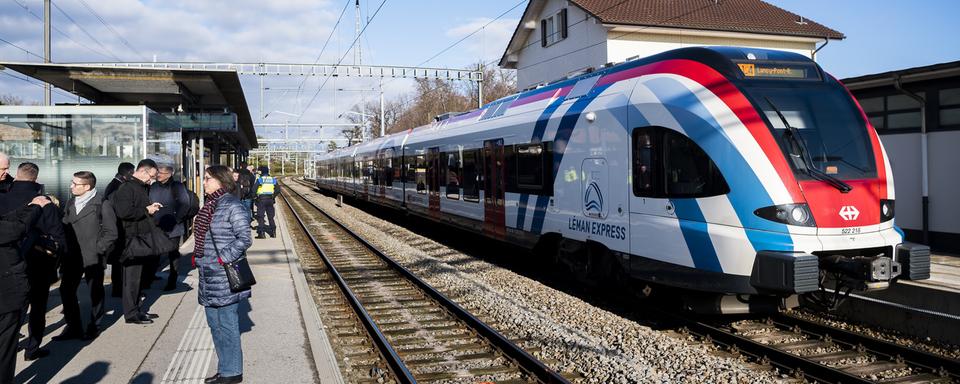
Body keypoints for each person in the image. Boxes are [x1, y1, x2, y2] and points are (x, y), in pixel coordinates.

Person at [0, 163, 65, 361]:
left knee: (13, 308)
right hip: (40, 262)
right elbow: (59, 235)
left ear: (16, 175)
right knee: (38, 306)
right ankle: (32, 348)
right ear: (35, 179)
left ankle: (10, 344)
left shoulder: (3, 197)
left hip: (9, 263)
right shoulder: (44, 201)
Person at [195, 165, 252, 384]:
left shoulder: (231, 205)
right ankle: (225, 368)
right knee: (214, 325)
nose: (204, 182)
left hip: (225, 274)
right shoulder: (211, 204)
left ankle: (232, 372)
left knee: (227, 325)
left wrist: (222, 258)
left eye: (208, 178)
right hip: (207, 274)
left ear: (220, 181)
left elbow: (244, 238)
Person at [56, 171, 118, 341]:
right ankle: (73, 326)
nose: (71, 186)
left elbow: (111, 233)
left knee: (95, 291)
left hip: (93, 257)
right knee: (66, 290)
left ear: (87, 186)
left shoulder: (102, 204)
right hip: (72, 256)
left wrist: (99, 248)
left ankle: (94, 325)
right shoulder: (70, 202)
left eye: (75, 184)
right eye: (72, 182)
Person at [0, 198, 48, 384]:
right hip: (5, 295)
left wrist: (27, 206)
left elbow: (5, 220)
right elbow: (14, 230)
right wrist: (36, 207)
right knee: (5, 347)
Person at [112, 159, 162, 325]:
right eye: (152, 176)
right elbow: (124, 212)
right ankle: (131, 313)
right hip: (131, 239)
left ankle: (136, 309)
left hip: (139, 238)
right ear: (143, 171)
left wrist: (150, 208)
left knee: (138, 278)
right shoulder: (127, 188)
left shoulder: (139, 187)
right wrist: (146, 210)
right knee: (131, 278)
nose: (152, 180)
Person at [148, 164, 191, 291]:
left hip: (173, 226)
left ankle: (172, 281)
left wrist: (176, 220)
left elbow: (185, 204)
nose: (158, 174)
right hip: (156, 225)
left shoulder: (177, 186)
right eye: (158, 172)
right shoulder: (154, 186)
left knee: (173, 253)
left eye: (161, 172)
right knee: (154, 252)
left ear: (169, 174)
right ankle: (150, 276)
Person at [105, 162, 135, 298]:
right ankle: (117, 289)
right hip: (118, 228)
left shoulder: (115, 184)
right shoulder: (116, 187)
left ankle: (118, 288)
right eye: (132, 173)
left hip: (119, 228)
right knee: (118, 261)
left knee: (119, 260)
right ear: (127, 173)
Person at [253, 166, 279, 239]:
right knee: (271, 217)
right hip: (270, 199)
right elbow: (278, 190)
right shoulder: (273, 179)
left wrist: (254, 197)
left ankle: (261, 234)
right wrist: (273, 196)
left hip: (261, 200)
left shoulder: (260, 179)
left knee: (260, 217)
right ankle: (273, 233)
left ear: (261, 172)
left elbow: (254, 190)